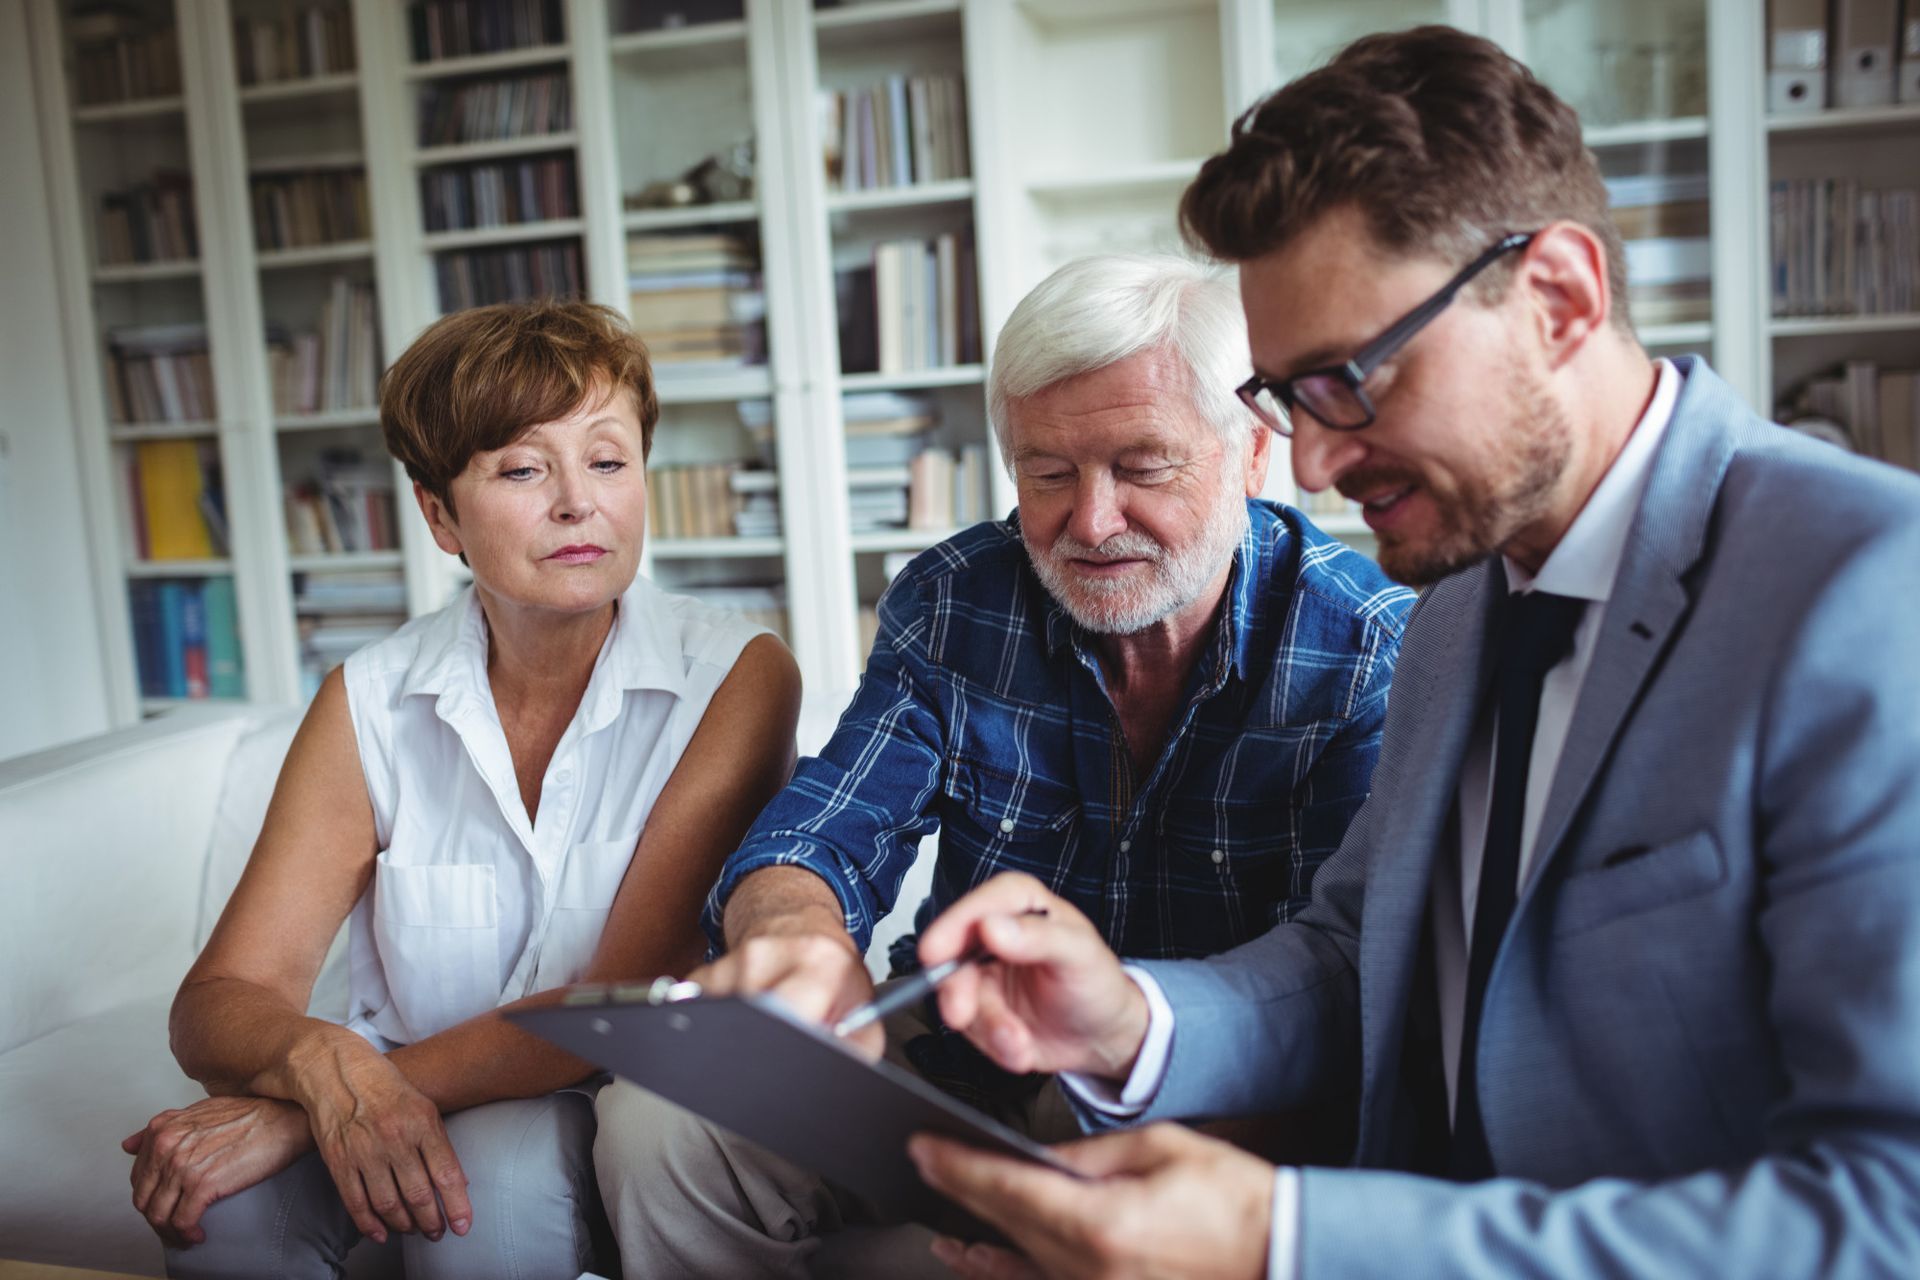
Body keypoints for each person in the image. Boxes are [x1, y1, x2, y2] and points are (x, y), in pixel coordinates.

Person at [903, 26, 1920, 1280]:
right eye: (1287, 398)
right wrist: (1129, 1017)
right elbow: (1353, 954)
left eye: (1350, 379)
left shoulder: (1869, 587)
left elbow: (1890, 1218)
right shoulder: (1457, 602)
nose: (1318, 465)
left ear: (1558, 297)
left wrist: (1289, 1240)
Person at [590, 254, 1415, 1275]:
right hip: (955, 1062)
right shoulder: (957, 597)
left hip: (1196, 1111)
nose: (1091, 521)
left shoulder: (1368, 650)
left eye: (1143, 465)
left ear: (1251, 452)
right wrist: (799, 931)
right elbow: (821, 830)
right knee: (657, 1121)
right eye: (1048, 472)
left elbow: (1343, 1000)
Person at [120, 300, 803, 1279]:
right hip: (391, 1077)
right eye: (525, 469)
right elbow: (220, 999)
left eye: (608, 460)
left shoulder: (737, 673)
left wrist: (334, 1106)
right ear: (438, 513)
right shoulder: (368, 697)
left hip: (617, 1097)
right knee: (222, 1217)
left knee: (482, 1194)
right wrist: (322, 1070)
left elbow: (617, 1000)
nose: (579, 502)